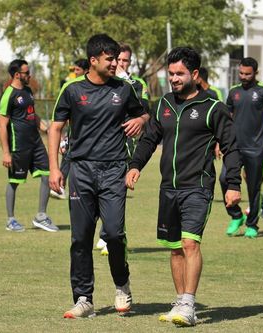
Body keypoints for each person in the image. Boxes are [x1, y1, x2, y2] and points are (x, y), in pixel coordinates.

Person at [126, 47, 242, 327]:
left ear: (195, 74)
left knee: (190, 243)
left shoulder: (214, 108)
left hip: (197, 187)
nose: (174, 79)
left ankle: (189, 303)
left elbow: (231, 148)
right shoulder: (164, 103)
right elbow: (149, 139)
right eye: (171, 73)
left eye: (180, 74)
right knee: (175, 247)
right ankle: (180, 302)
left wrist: (233, 184)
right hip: (168, 188)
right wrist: (135, 165)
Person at [48, 34, 149, 319]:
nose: (116, 64)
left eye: (117, 59)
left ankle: (121, 284)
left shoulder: (125, 88)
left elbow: (145, 115)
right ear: (93, 61)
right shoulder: (71, 89)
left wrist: (140, 120)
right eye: (110, 59)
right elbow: (55, 128)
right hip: (81, 170)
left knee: (114, 234)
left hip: (114, 169)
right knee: (80, 238)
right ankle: (83, 299)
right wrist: (55, 168)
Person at [94, 43, 150, 256]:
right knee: (99, 191)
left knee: (118, 191)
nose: (120, 64)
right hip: (99, 146)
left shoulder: (136, 83)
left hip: (124, 145)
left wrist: (124, 78)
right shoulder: (100, 82)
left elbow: (143, 110)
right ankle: (105, 233)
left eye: (125, 60)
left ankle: (112, 237)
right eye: (118, 60)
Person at [0, 59, 59, 233]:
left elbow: (33, 114)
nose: (29, 75)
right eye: (26, 72)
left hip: (36, 143)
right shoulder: (8, 95)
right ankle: (10, 220)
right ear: (17, 75)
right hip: (19, 146)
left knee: (48, 175)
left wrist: (46, 129)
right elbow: (2, 125)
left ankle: (41, 216)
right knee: (14, 181)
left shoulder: (28, 91)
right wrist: (6, 153)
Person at [222, 57, 263, 239]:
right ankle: (236, 215)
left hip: (256, 148)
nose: (243, 77)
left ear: (255, 73)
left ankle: (252, 224)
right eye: (241, 73)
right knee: (224, 179)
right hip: (234, 146)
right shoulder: (233, 92)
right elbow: (226, 118)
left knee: (254, 188)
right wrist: (219, 141)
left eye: (247, 74)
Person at [50, 58, 90, 200]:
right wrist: (63, 138)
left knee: (68, 159)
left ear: (86, 70)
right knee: (67, 158)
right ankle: (60, 187)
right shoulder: (70, 86)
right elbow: (61, 120)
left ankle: (62, 187)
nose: (75, 72)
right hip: (72, 135)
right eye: (74, 70)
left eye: (77, 70)